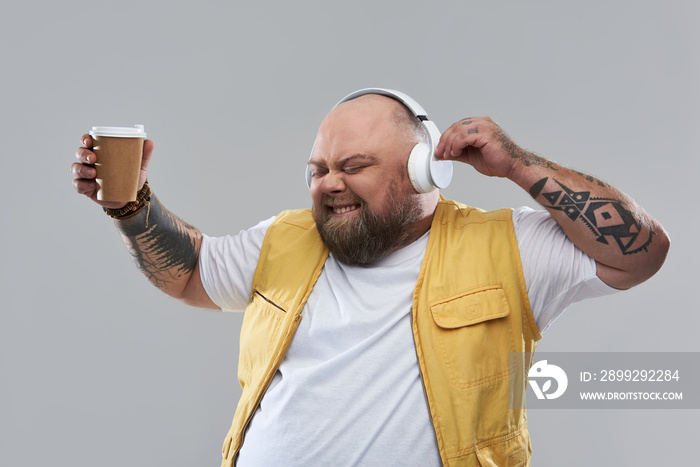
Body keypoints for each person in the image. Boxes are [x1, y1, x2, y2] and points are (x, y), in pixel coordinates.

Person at [72, 89, 669, 467]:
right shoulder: (285, 238)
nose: (330, 183)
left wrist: (516, 165)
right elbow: (192, 273)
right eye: (318, 169)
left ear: (423, 171)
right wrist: (130, 205)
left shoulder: (507, 246)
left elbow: (640, 253)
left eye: (354, 166)